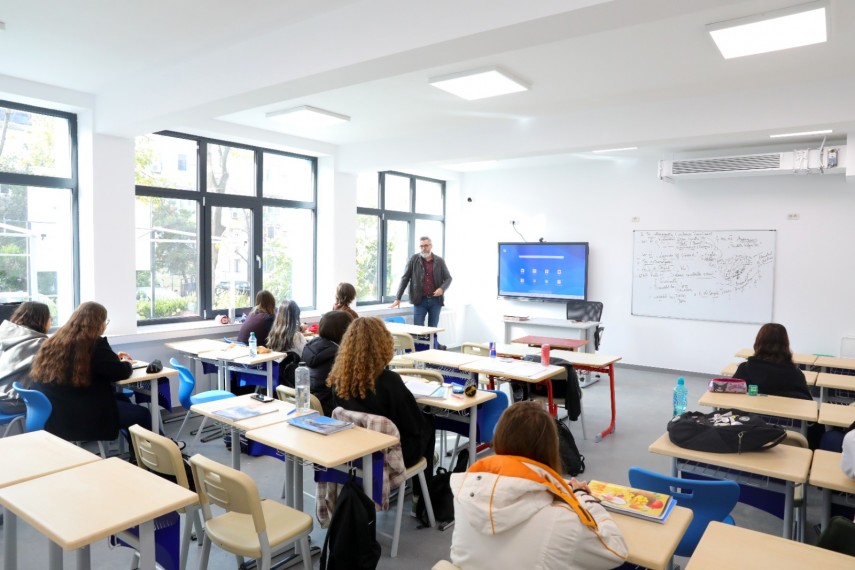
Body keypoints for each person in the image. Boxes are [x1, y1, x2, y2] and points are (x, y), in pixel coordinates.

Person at [449, 401, 627, 569]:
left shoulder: (464, 493)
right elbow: (617, 551)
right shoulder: (563, 520)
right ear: (552, 447)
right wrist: (583, 497)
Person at [29, 301, 151, 446]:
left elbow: (85, 365)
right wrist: (126, 363)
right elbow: (119, 373)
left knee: (122, 398)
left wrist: (113, 360)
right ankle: (151, 461)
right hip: (84, 412)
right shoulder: (94, 344)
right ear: (98, 323)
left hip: (58, 411)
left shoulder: (55, 340)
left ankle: (140, 455)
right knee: (142, 415)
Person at [327, 316, 434, 470]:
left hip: (355, 450)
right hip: (391, 455)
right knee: (428, 422)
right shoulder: (390, 381)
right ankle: (423, 490)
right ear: (383, 345)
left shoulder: (338, 378)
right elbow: (414, 426)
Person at [389, 236, 452, 344]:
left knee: (433, 329)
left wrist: (442, 288)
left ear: (431, 246)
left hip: (435, 301)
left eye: (426, 246)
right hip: (419, 300)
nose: (423, 248)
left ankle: (433, 354)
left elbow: (448, 278)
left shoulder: (439, 261)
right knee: (418, 329)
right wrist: (397, 298)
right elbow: (405, 278)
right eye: (421, 246)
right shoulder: (414, 259)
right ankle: (421, 353)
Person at [734, 323, 812, 400]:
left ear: (758, 342)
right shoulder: (796, 375)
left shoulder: (744, 369)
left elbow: (729, 396)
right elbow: (807, 404)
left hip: (747, 412)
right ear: (785, 345)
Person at [0, 302, 52, 414]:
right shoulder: (39, 343)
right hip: (12, 402)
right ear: (42, 320)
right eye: (49, 317)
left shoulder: (4, 333)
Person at [301, 310, 353, 415]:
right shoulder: (338, 353)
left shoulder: (310, 345)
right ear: (346, 330)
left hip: (309, 404)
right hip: (330, 408)